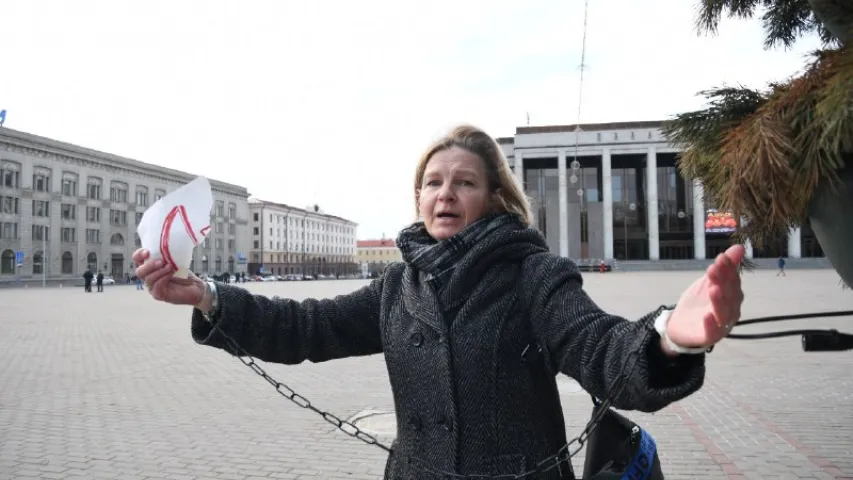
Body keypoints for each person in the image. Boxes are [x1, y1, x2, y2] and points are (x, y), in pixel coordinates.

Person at [134, 125, 745, 479]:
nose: (445, 193)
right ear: (418, 198)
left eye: (464, 182)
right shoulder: (400, 287)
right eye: (433, 182)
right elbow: (307, 326)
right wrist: (208, 295)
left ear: (495, 198)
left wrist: (668, 337)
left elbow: (597, 345)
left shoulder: (533, 275)